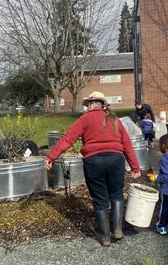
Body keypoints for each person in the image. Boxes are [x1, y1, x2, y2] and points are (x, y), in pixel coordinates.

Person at [45, 91, 141, 246]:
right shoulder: (115, 119)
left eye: (88, 104)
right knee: (116, 194)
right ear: (103, 104)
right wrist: (135, 167)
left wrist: (51, 157)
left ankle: (105, 237)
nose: (87, 106)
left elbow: (68, 139)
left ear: (90, 104)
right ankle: (117, 230)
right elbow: (127, 144)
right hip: (116, 159)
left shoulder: (85, 119)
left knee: (100, 199)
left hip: (93, 162)